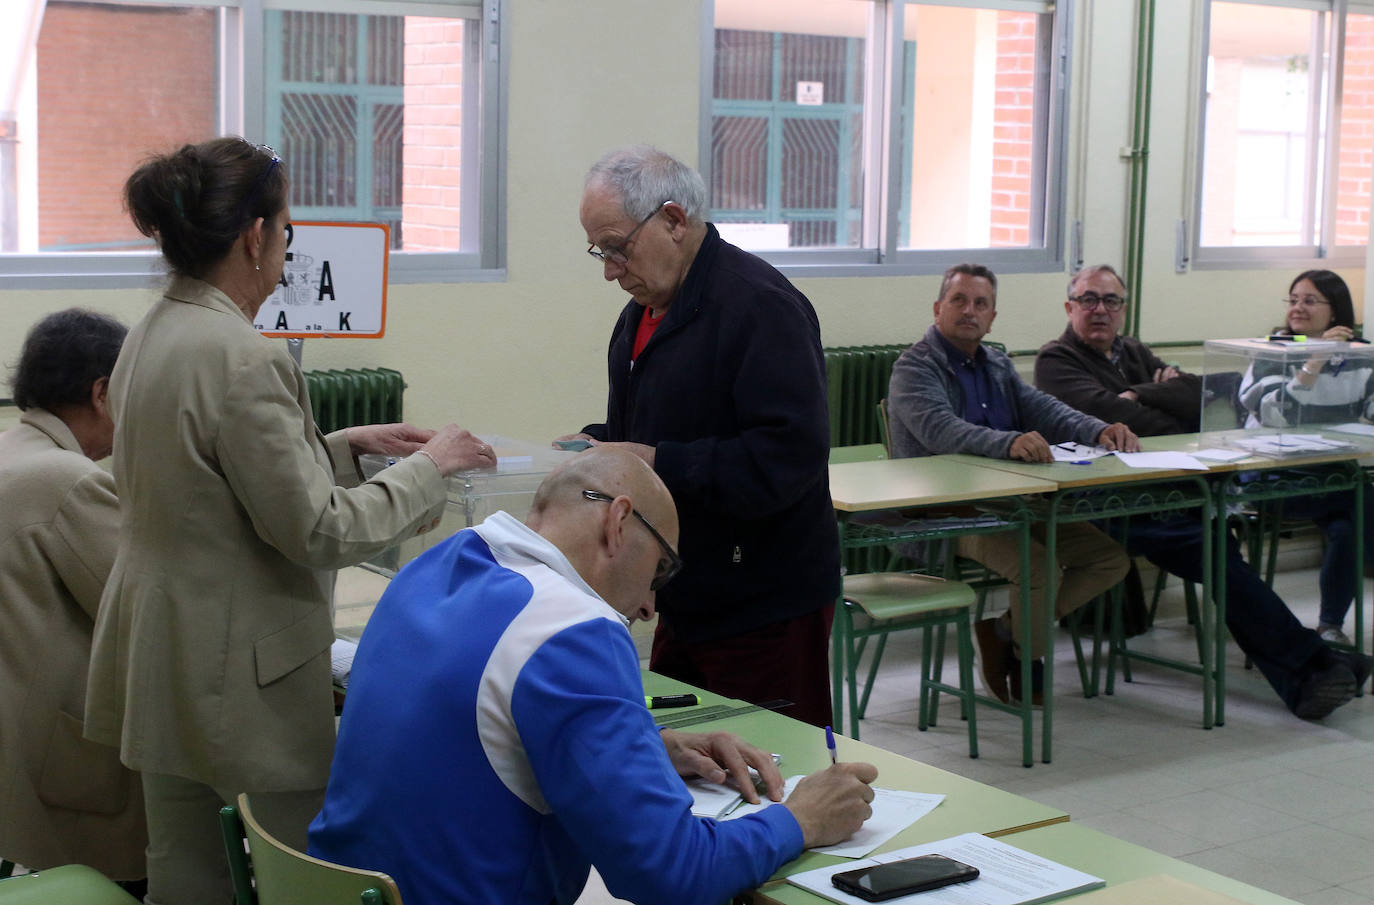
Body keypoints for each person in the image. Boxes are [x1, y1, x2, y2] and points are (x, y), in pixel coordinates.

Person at [83, 137, 497, 905]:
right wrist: (429, 466)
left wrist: (341, 445)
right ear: (254, 236)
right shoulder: (243, 355)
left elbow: (207, 480)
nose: (284, 250)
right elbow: (318, 530)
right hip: (239, 679)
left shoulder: (155, 332)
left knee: (186, 869)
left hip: (164, 650)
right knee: (291, 874)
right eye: (286, 231)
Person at [308, 447, 877, 905]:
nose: (652, 608)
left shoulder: (438, 564)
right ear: (619, 520)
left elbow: (467, 721)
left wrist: (642, 747)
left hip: (333, 888)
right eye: (660, 571)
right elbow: (668, 875)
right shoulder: (574, 628)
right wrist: (799, 820)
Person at [557, 146, 839, 727]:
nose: (610, 269)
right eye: (599, 251)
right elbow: (658, 427)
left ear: (674, 220)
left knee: (769, 766)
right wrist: (596, 445)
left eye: (617, 246)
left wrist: (656, 460)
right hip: (684, 587)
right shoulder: (645, 309)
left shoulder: (759, 306)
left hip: (761, 601)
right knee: (684, 758)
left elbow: (788, 457)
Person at [1034, 264, 1371, 717]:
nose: (1100, 310)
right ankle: (1318, 663)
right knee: (1217, 555)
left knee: (1223, 557)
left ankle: (1310, 674)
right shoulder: (1056, 360)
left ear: (1123, 309)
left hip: (1167, 492)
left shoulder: (1131, 351)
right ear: (1069, 306)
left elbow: (1200, 399)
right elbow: (1104, 416)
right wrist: (1147, 402)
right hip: (1104, 499)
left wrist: (1137, 397)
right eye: (1089, 300)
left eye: (1111, 301)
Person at [886, 263, 1135, 707]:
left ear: (993, 316)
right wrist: (1010, 442)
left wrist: (1100, 430)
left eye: (981, 303)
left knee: (1109, 560)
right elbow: (943, 432)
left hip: (1009, 504)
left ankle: (1003, 630)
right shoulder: (914, 367)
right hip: (947, 513)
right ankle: (1028, 664)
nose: (970, 311)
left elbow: (1047, 409)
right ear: (939, 308)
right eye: (959, 301)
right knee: (1037, 567)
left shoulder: (997, 363)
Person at [0, 309, 146, 884]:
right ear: (104, 393)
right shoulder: (67, 482)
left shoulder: (16, 452)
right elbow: (142, 606)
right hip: (55, 758)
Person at [1235, 269, 1374, 645]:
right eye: (1294, 299)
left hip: (1329, 471)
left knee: (1350, 525)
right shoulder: (1272, 350)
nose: (1297, 308)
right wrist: (1313, 363)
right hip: (1272, 473)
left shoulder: (1359, 354)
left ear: (1336, 311)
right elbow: (1272, 413)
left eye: (1309, 300)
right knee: (1362, 502)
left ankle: (1329, 626)